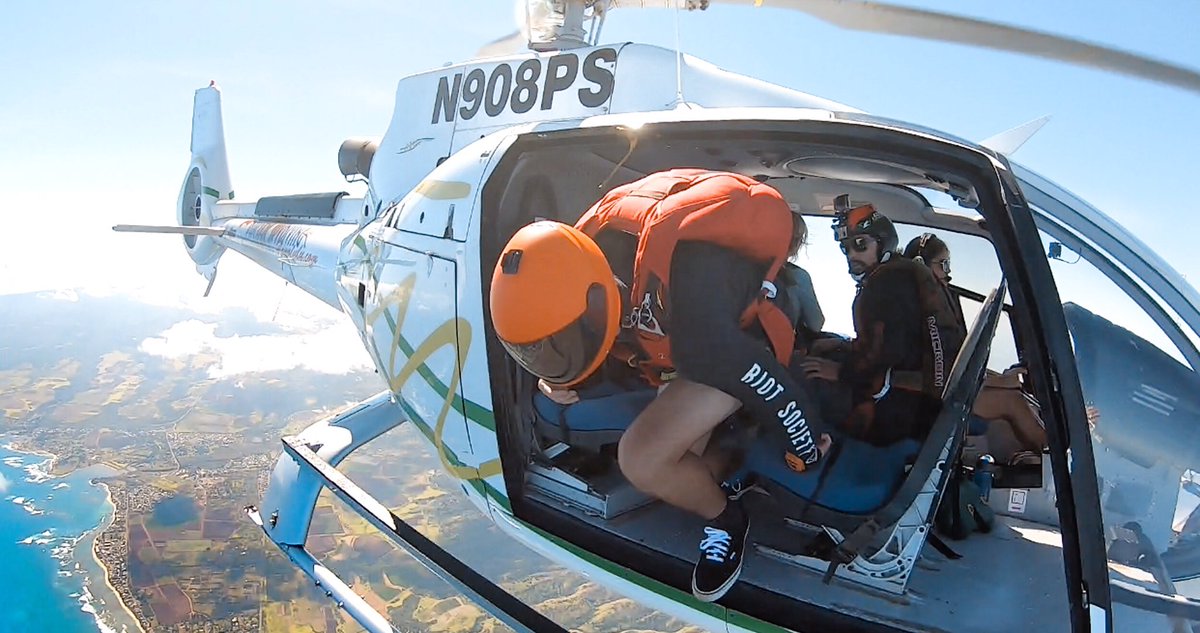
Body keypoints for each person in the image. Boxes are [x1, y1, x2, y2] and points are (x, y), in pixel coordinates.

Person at [490, 169, 831, 602]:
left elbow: (757, 374)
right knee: (685, 462)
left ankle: (726, 520)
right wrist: (551, 373)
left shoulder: (697, 298)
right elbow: (565, 323)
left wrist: (803, 446)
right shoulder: (573, 254)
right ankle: (731, 461)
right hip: (684, 349)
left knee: (645, 460)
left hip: (738, 345)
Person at [798, 198, 965, 446]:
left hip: (900, 412)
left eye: (860, 245)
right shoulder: (902, 273)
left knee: (802, 381)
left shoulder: (886, 283)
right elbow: (891, 344)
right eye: (847, 248)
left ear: (883, 241)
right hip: (923, 401)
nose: (852, 255)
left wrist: (840, 371)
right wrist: (843, 347)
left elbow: (883, 355)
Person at [903, 233, 1047, 453]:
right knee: (1013, 403)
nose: (948, 273)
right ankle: (1062, 457)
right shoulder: (916, 312)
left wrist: (1000, 378)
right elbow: (941, 373)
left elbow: (957, 364)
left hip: (937, 391)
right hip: (925, 400)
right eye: (943, 264)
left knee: (1017, 395)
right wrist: (1001, 383)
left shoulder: (931, 305)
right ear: (921, 265)